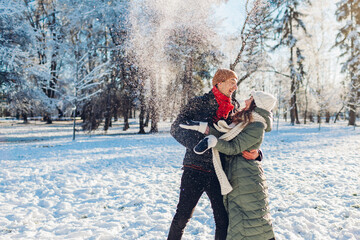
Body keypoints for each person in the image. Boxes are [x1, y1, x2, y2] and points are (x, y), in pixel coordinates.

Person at [167, 69, 262, 240]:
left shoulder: (236, 108)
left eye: (236, 82)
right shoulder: (199, 103)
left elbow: (242, 137)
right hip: (195, 168)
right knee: (182, 217)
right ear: (219, 82)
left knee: (223, 221)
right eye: (232, 81)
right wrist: (198, 145)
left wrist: (257, 153)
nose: (235, 86)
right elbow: (176, 127)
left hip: (220, 171)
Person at [182, 91, 277, 240]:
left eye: (250, 99)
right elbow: (227, 137)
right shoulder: (247, 121)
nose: (245, 101)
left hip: (247, 179)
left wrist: (213, 142)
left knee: (251, 222)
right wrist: (202, 128)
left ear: (257, 104)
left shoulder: (256, 126)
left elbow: (233, 147)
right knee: (241, 222)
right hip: (238, 175)